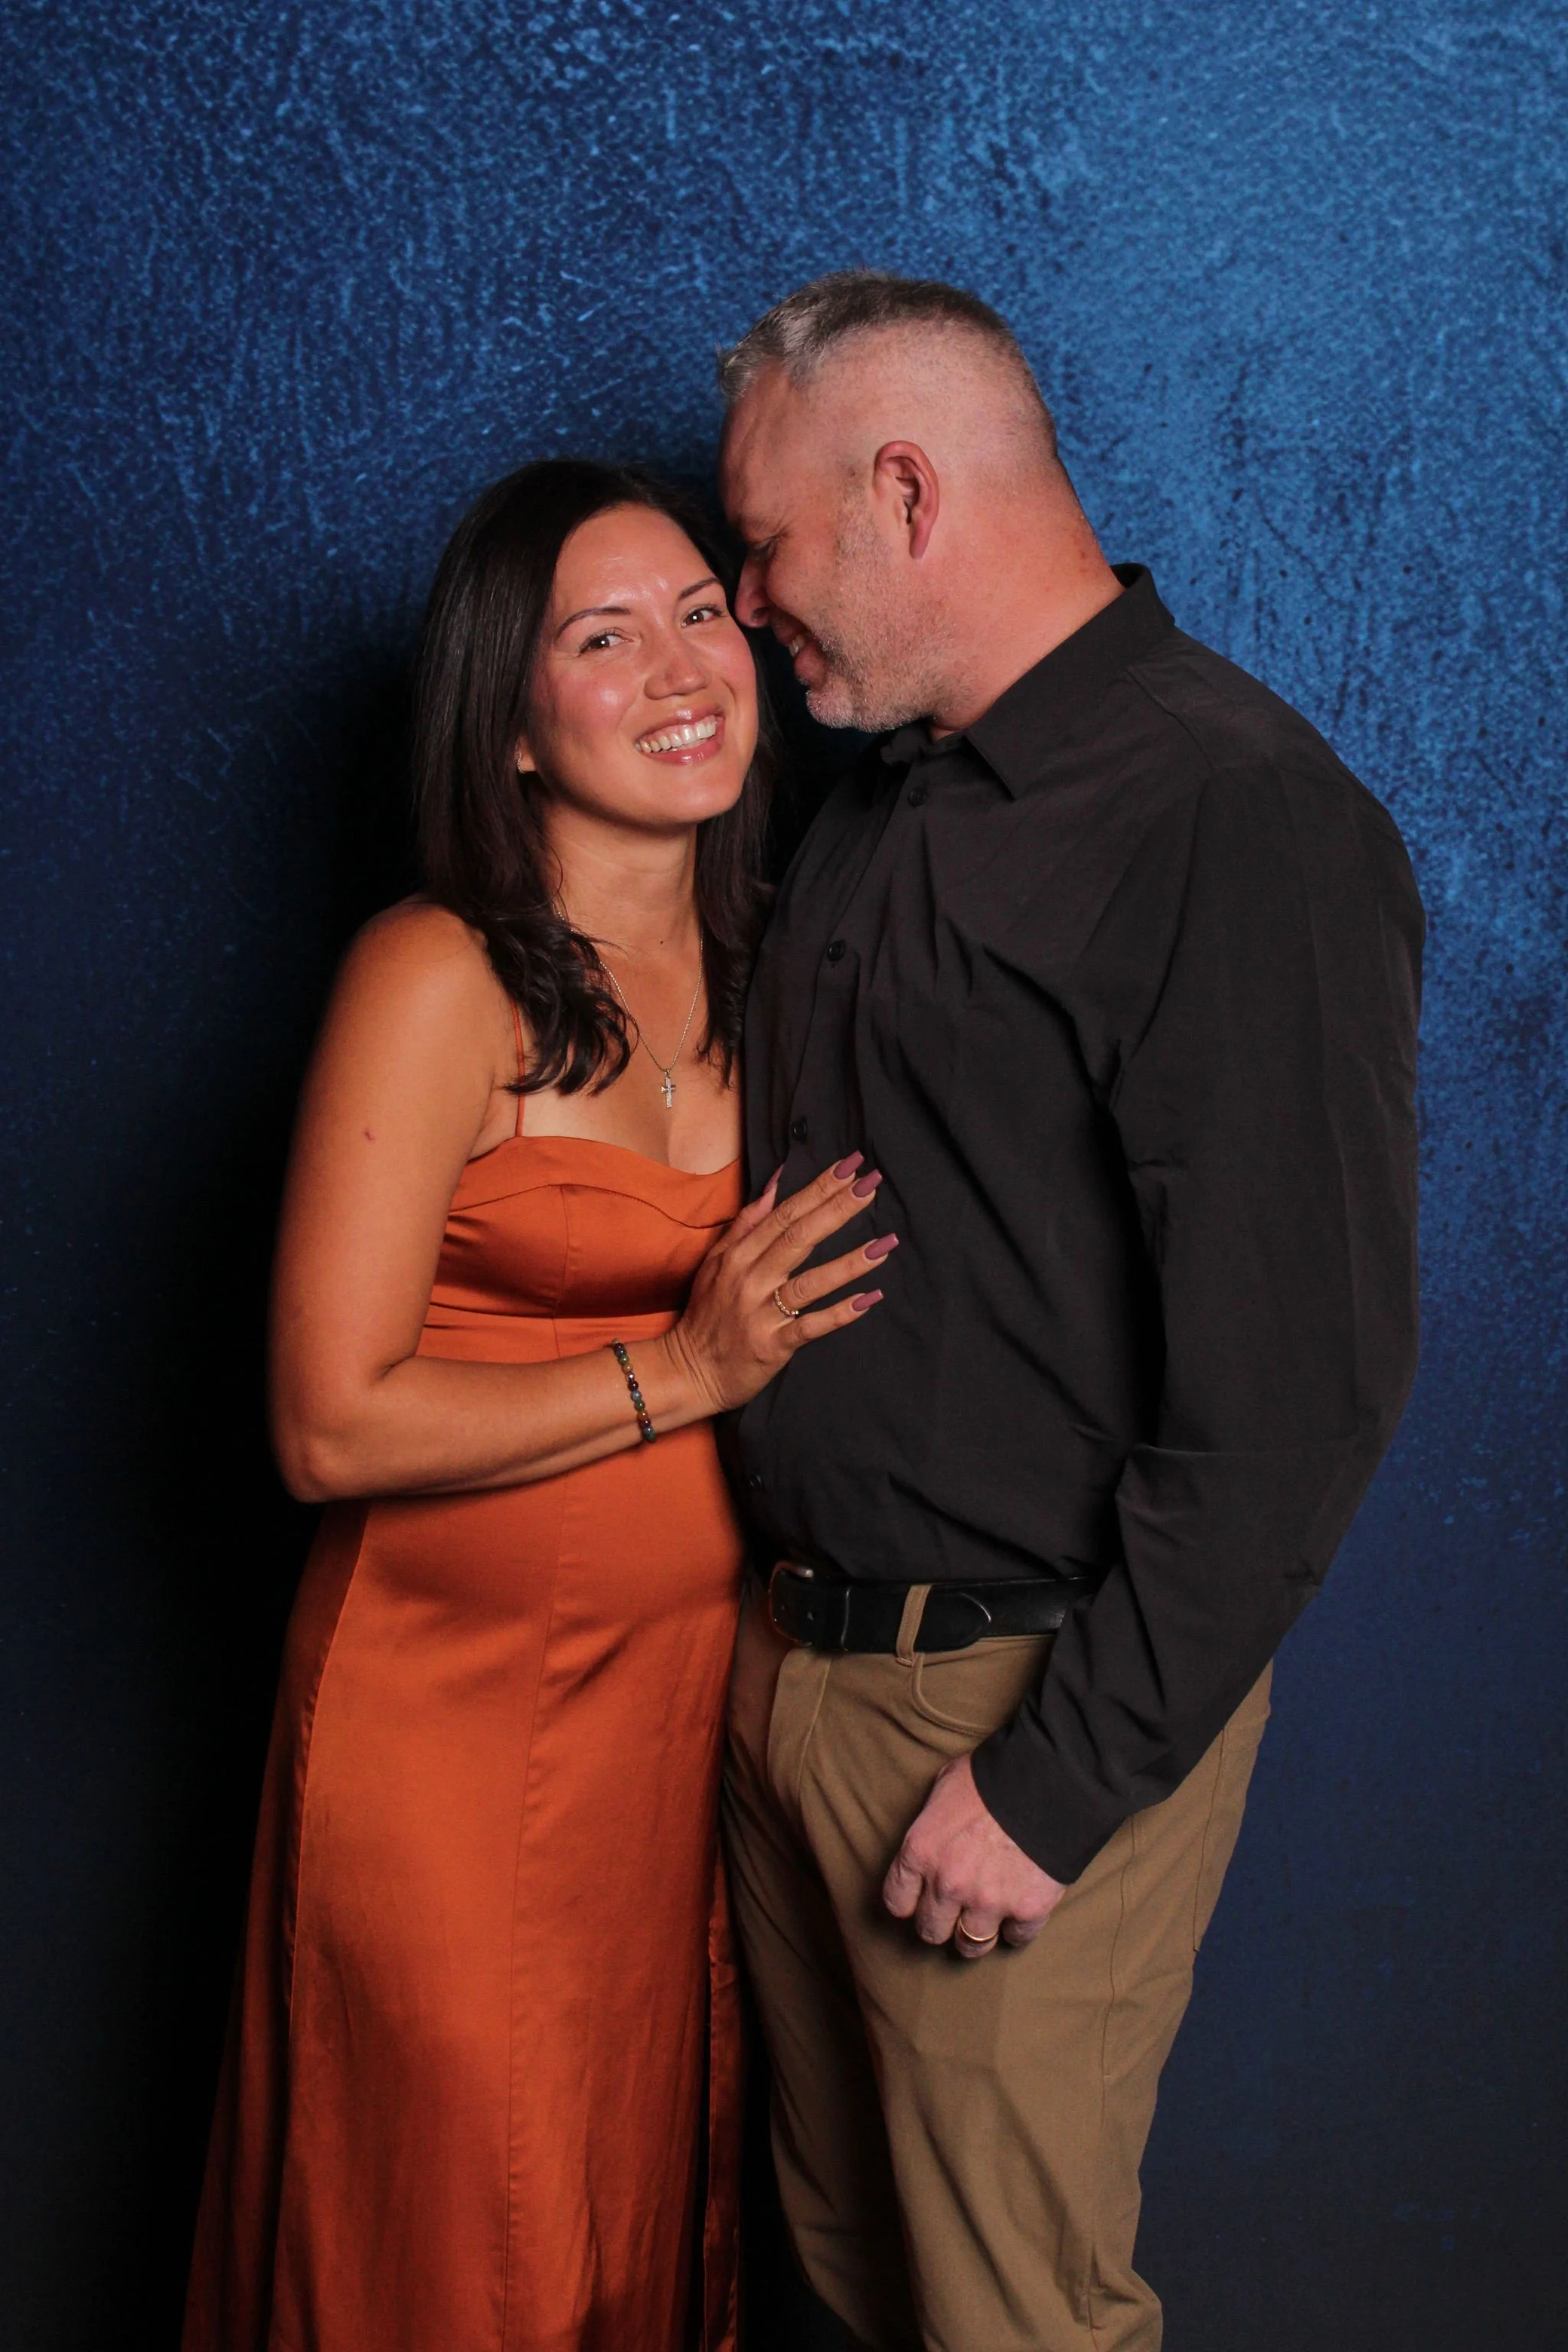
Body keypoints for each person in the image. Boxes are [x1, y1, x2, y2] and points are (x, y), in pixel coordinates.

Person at [714, 273, 1423, 2352]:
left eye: (762, 547)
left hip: (1014, 1717)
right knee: (848, 2289)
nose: (747, 603)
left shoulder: (1231, 817)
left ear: (906, 492)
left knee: (1010, 2324)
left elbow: (1304, 1391)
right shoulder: (882, 798)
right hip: (794, 1684)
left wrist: (1051, 1783)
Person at [182, 458, 896, 2352]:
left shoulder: (786, 967)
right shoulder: (435, 978)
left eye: (695, 612)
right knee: (451, 2244)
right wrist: (686, 1369)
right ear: (507, 724)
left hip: (677, 1734)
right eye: (601, 637)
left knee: (619, 2233)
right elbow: (326, 1425)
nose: (680, 667)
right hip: (442, 1722)